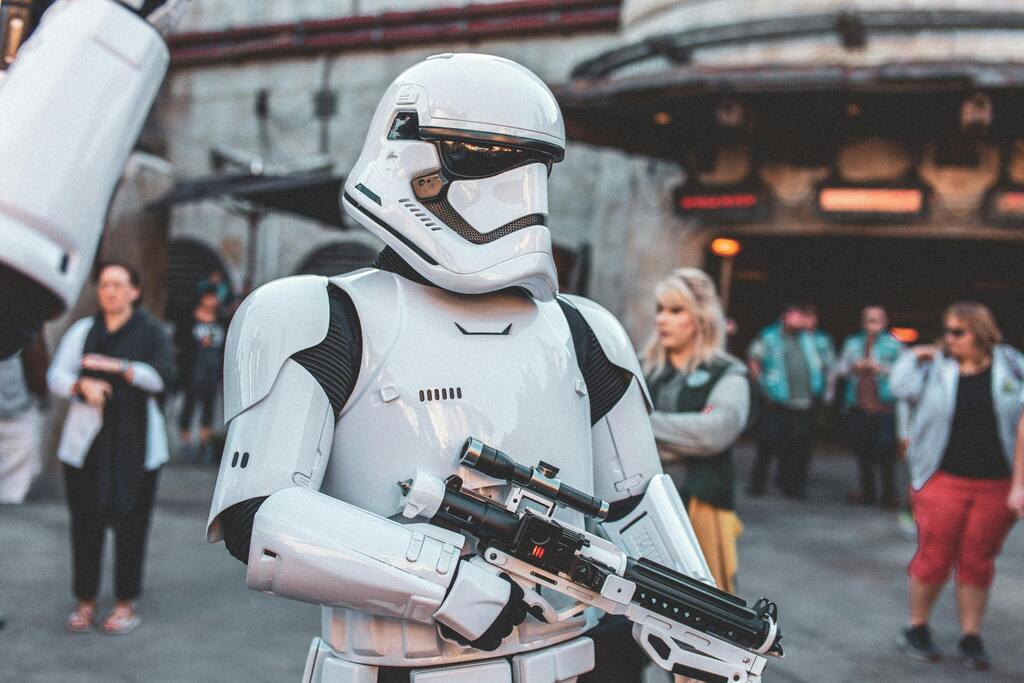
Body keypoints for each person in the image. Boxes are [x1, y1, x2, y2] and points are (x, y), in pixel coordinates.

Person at [204, 54, 774, 682]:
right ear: (411, 155)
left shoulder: (584, 330)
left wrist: (701, 636)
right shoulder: (320, 315)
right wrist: (446, 584)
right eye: (484, 157)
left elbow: (636, 506)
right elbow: (260, 518)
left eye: (533, 164)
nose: (516, 189)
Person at [890, 302, 1023, 670]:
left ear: (980, 333)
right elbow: (898, 387)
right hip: (942, 478)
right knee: (934, 556)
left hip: (996, 482)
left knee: (978, 560)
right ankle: (916, 627)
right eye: (946, 331)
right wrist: (914, 356)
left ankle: (971, 635)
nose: (948, 338)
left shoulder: (1011, 365)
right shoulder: (935, 366)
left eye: (957, 332)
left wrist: (1019, 482)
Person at [48, 262, 175, 635]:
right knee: (85, 524)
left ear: (134, 291)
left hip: (137, 448)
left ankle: (124, 602)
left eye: (119, 284)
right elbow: (56, 376)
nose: (111, 291)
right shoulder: (84, 331)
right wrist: (81, 386)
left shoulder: (151, 332)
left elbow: (162, 378)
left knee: (132, 525)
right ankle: (85, 600)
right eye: (105, 284)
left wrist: (119, 367)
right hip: (88, 446)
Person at [641, 269, 749, 593]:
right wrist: (684, 437)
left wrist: (640, 425)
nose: (662, 319)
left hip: (701, 505)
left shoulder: (729, 373)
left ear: (701, 317)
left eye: (676, 310)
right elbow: (606, 428)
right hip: (638, 507)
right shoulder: (638, 367)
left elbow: (714, 434)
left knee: (700, 602)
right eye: (660, 309)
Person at [746, 304, 827, 498]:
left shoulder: (809, 339)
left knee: (796, 446)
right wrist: (762, 385)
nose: (800, 320)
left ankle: (790, 485)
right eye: (796, 315)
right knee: (766, 444)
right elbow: (754, 358)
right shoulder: (770, 336)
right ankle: (757, 484)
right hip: (776, 401)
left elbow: (824, 362)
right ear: (785, 317)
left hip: (803, 402)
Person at [830, 306, 904, 507]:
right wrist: (854, 367)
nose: (872, 323)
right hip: (858, 405)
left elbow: (904, 372)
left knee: (886, 452)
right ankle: (867, 491)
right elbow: (839, 368)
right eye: (869, 319)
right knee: (863, 451)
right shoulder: (853, 343)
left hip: (884, 406)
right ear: (862, 322)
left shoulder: (894, 345)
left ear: (885, 321)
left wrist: (880, 368)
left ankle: (889, 495)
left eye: (876, 319)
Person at [0, 333, 48, 504]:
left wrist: (40, 394)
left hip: (20, 409)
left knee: (14, 487)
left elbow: (37, 361)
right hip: (19, 406)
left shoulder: (23, 327)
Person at [178, 290, 225, 461]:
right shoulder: (191, 318)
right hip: (193, 369)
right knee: (189, 406)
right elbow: (182, 341)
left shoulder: (221, 320)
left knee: (209, 407)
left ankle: (204, 443)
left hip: (212, 370)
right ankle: (185, 440)